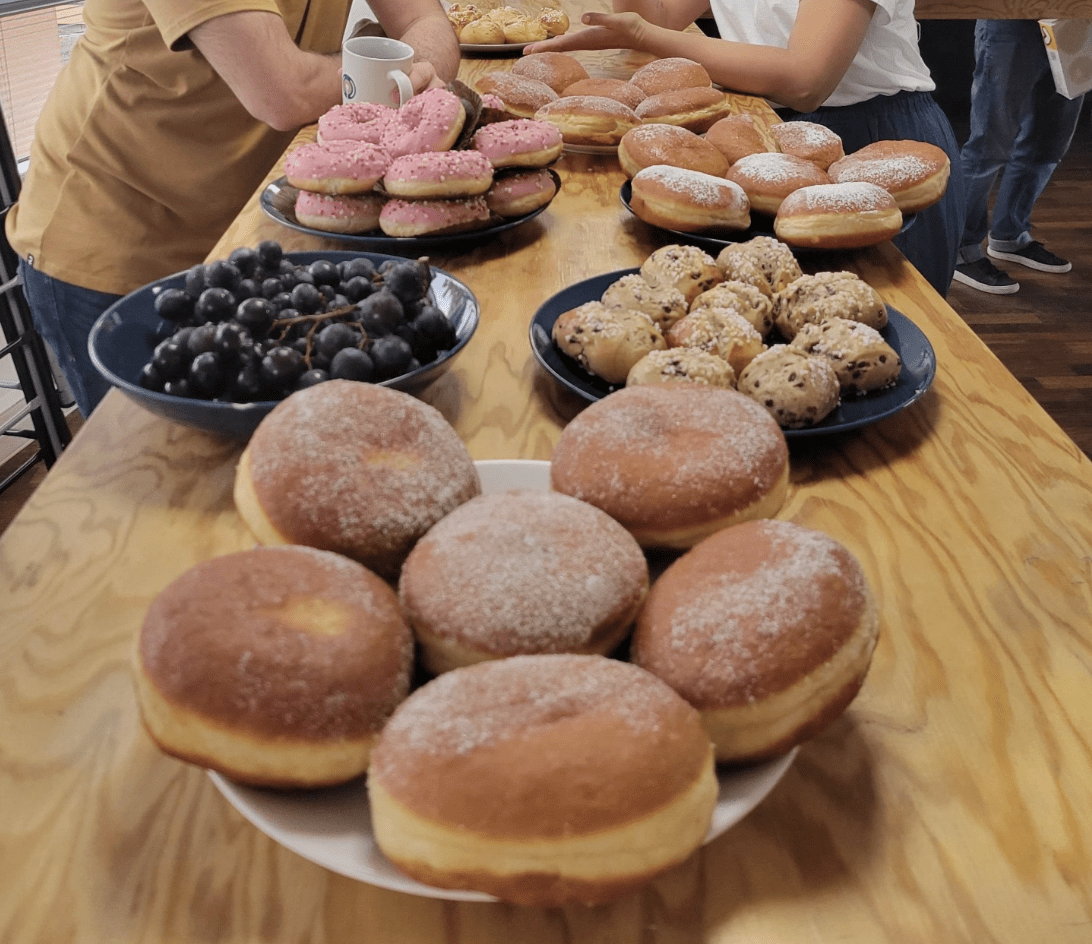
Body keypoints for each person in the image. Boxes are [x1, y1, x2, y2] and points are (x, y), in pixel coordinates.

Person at [5, 0, 459, 417]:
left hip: (241, 241)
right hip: (110, 235)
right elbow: (284, 92)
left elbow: (427, 22)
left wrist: (404, 71)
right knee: (165, 481)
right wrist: (402, 76)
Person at [526, 0, 966, 300]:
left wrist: (645, 35)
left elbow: (805, 80)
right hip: (763, 138)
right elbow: (657, 12)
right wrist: (643, 28)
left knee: (873, 348)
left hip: (871, 144)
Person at [952, 19, 1086, 295]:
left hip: (1075, 19)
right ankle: (958, 251)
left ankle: (1010, 234)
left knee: (1050, 141)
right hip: (1011, 21)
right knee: (990, 146)